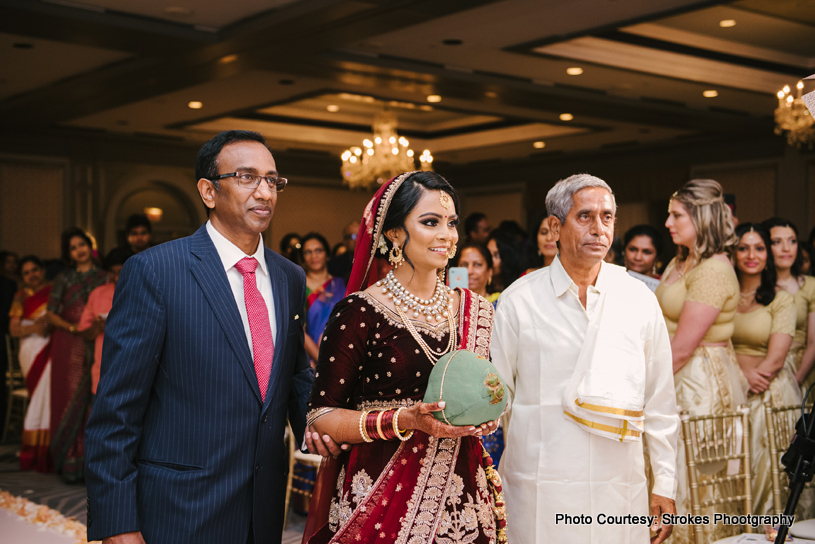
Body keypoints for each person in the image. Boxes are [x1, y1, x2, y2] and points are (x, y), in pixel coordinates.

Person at [85, 130, 312, 544]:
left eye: (272, 180)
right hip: (178, 510)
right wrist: (117, 524)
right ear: (208, 191)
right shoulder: (156, 271)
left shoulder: (289, 278)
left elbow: (295, 379)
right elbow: (115, 410)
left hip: (262, 512)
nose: (264, 192)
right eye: (246, 177)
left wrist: (354, 422)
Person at [301, 171, 502, 544]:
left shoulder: (477, 310)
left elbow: (481, 390)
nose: (447, 235)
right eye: (431, 222)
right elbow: (322, 415)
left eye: (452, 223)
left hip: (463, 496)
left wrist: (485, 414)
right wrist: (405, 420)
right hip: (381, 497)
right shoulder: (359, 312)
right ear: (393, 233)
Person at [491, 174, 679, 544]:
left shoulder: (637, 299)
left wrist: (665, 484)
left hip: (618, 487)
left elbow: (661, 402)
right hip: (541, 487)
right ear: (555, 227)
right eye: (585, 217)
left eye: (607, 217)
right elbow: (496, 397)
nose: (599, 229)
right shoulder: (519, 301)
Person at [655, 178, 746, 543]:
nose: (668, 223)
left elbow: (682, 348)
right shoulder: (684, 260)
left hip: (700, 383)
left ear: (701, 217)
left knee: (698, 477)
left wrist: (644, 386)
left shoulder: (713, 269)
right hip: (677, 375)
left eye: (676, 215)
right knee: (672, 470)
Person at [731, 223, 799, 515]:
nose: (751, 255)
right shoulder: (725, 296)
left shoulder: (781, 299)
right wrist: (738, 378)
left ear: (767, 255)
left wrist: (750, 380)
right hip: (730, 390)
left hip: (767, 395)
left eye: (759, 248)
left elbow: (776, 359)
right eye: (743, 248)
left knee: (764, 474)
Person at [43, 228, 107, 482]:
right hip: (69, 345)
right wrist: (72, 328)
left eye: (82, 244)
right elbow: (50, 312)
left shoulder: (104, 278)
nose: (79, 250)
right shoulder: (64, 279)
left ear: (90, 246)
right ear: (68, 254)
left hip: (101, 342)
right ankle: (69, 462)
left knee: (94, 402)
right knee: (70, 398)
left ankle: (92, 466)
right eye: (73, 247)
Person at [8, 255, 53, 472]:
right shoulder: (20, 296)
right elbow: (14, 329)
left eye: (35, 269)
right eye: (26, 272)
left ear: (43, 270)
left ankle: (52, 447)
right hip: (31, 350)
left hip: (53, 347)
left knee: (53, 394)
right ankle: (37, 447)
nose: (32, 275)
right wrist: (34, 328)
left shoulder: (55, 290)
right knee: (39, 395)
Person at [764, 218, 815, 393]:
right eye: (777, 242)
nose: (786, 249)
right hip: (762, 368)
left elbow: (813, 343)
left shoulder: (810, 286)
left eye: (792, 241)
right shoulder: (756, 287)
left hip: (800, 371)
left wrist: (797, 379)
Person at [78, 248, 130, 401]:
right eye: (112, 273)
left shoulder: (140, 291)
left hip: (132, 371)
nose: (117, 277)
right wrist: (97, 327)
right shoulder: (98, 294)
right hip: (103, 372)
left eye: (121, 271)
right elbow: (83, 331)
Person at [301, 232, 346, 364]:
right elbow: (298, 330)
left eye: (318, 250)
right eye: (308, 252)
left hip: (340, 356)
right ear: (303, 258)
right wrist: (322, 361)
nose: (313, 256)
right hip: (311, 361)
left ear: (327, 254)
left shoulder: (340, 284)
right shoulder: (299, 286)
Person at [486, 229, 523, 294]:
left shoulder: (517, 285)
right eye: (488, 254)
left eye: (496, 255)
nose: (491, 260)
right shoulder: (481, 284)